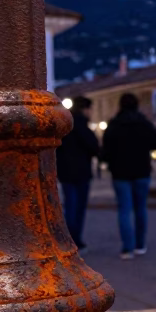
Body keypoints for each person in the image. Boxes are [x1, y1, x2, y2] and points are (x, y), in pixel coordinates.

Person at [101, 93, 156, 259]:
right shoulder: (145, 124)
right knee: (140, 208)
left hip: (120, 173)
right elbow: (155, 144)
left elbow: (105, 150)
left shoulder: (114, 125)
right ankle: (140, 245)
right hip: (142, 171)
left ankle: (127, 248)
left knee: (124, 210)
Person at [56, 97, 100, 252]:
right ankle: (76, 241)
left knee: (70, 206)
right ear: (85, 109)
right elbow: (94, 147)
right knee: (78, 208)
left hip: (66, 173)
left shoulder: (63, 126)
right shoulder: (83, 127)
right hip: (82, 173)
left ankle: (68, 240)